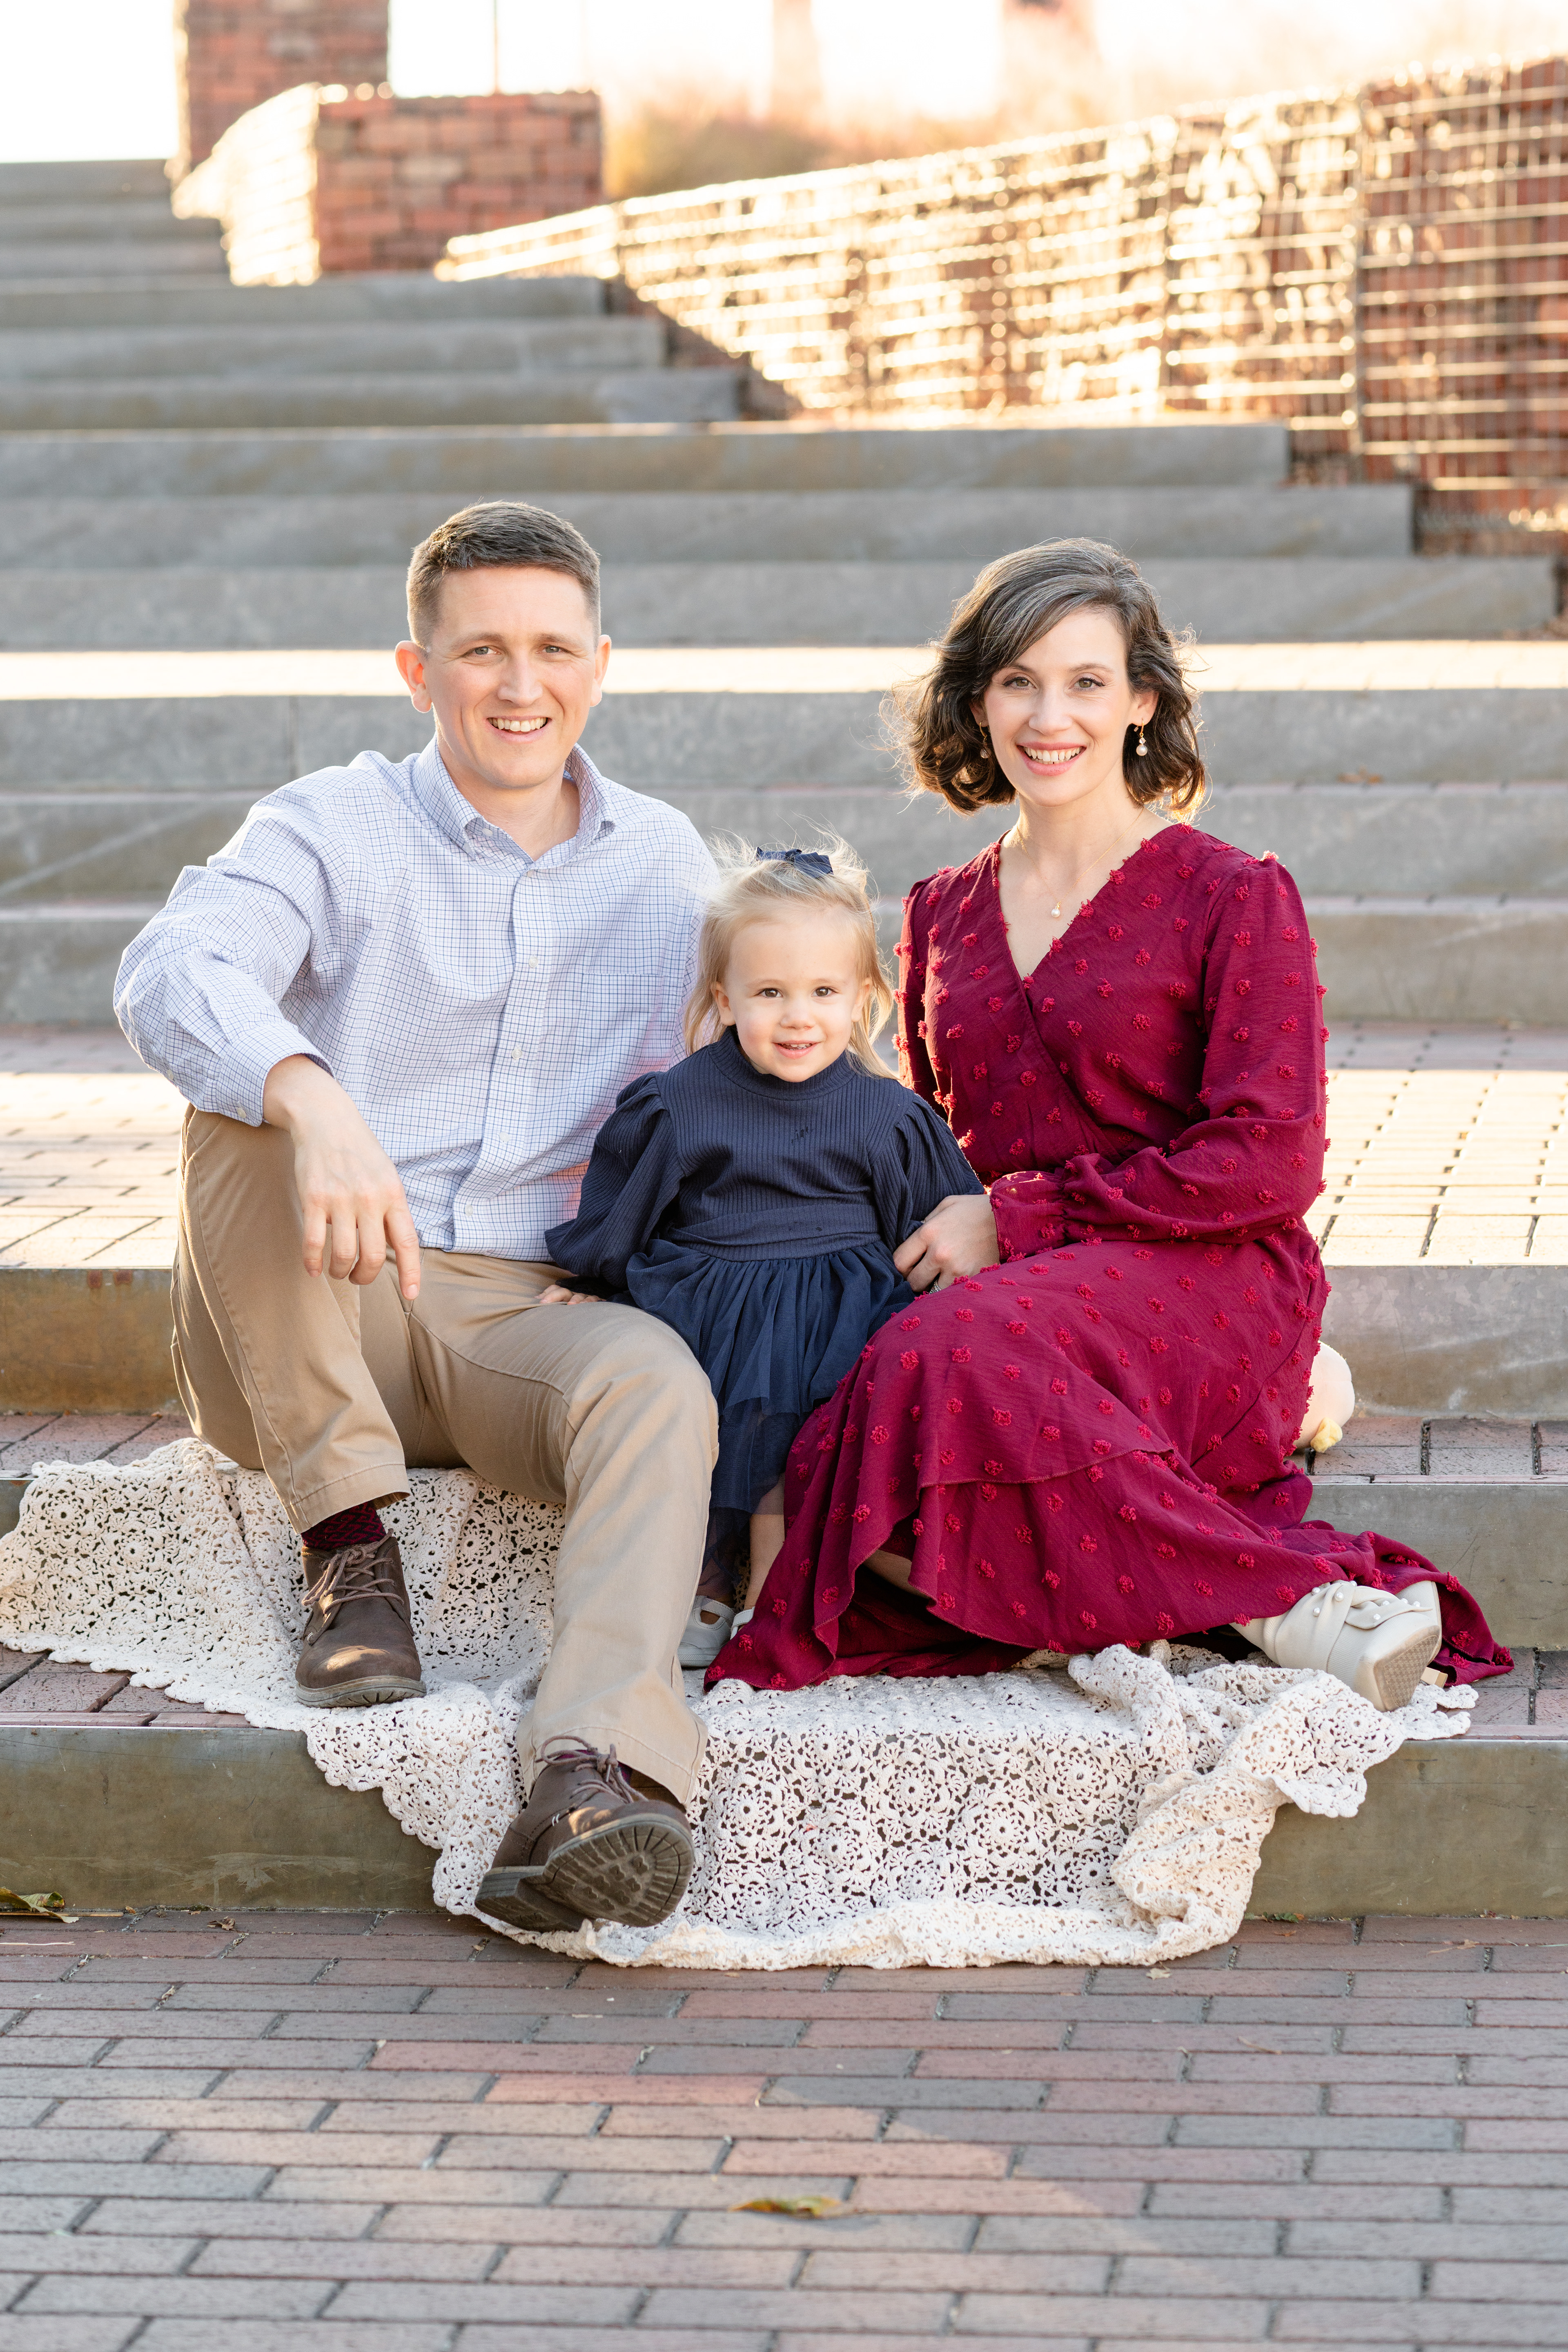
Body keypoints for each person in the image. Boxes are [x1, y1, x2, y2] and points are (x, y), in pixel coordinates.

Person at [712, 539, 1510, 1706]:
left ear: (1142, 700)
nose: (1051, 716)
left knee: (942, 1366)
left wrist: (1020, 1219)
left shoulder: (1236, 895)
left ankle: (1286, 1588)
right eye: (1018, 681)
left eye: (1087, 682)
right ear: (977, 701)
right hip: (1012, 1295)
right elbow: (934, 1146)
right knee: (827, 1401)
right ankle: (1253, 1610)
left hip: (1206, 1277)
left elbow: (1269, 1161)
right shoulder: (940, 911)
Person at [116, 500, 723, 1936]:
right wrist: (315, 1099)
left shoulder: (663, 859)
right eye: (483, 652)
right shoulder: (333, 823)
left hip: (525, 1315)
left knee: (655, 1381)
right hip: (324, 1294)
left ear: (602, 661)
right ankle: (350, 1555)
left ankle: (592, 1774)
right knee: (247, 1106)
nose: (522, 686)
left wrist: (641, 1271)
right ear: (417, 669)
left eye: (554, 649)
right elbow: (172, 967)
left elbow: (726, 1086)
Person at [540, 839, 983, 1668]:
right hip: (712, 1303)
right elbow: (633, 1203)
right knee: (706, 1419)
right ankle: (704, 1580)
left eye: (823, 991)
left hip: (840, 1313)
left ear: (861, 997)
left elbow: (930, 1228)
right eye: (770, 993)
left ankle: (773, 1600)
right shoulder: (680, 1104)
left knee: (802, 1435)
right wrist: (597, 1279)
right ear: (726, 996)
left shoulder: (884, 1115)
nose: (797, 1016)